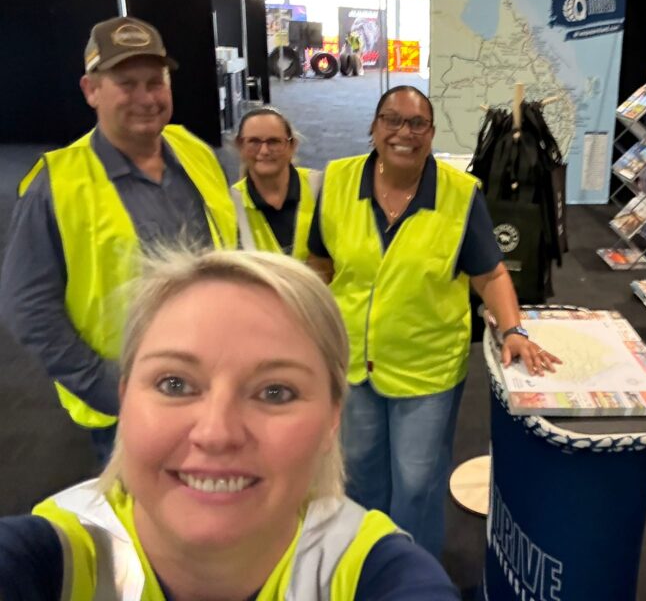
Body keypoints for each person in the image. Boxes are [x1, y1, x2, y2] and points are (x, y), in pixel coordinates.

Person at [0, 250, 460, 600]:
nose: (216, 433)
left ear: (332, 418)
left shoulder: (376, 574)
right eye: (175, 383)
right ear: (125, 398)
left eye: (275, 392)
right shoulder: (47, 559)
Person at [306, 85, 560, 558]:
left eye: (417, 123)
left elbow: (491, 273)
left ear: (432, 133)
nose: (404, 132)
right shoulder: (337, 182)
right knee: (359, 473)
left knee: (417, 482)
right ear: (374, 127)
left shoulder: (459, 195)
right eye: (392, 120)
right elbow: (319, 264)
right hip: (352, 364)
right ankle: (365, 564)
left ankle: (411, 573)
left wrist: (514, 329)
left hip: (426, 370)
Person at [0, 16, 236, 462]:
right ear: (92, 90)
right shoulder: (57, 183)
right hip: (130, 405)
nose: (146, 98)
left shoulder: (195, 151)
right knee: (142, 522)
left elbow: (232, 248)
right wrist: (108, 387)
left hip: (216, 378)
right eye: (127, 84)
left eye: (155, 82)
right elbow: (26, 306)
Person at [232, 107, 321, 260]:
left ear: (292, 146)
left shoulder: (322, 187)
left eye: (274, 142)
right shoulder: (230, 203)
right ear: (240, 146)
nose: (264, 151)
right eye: (254, 142)